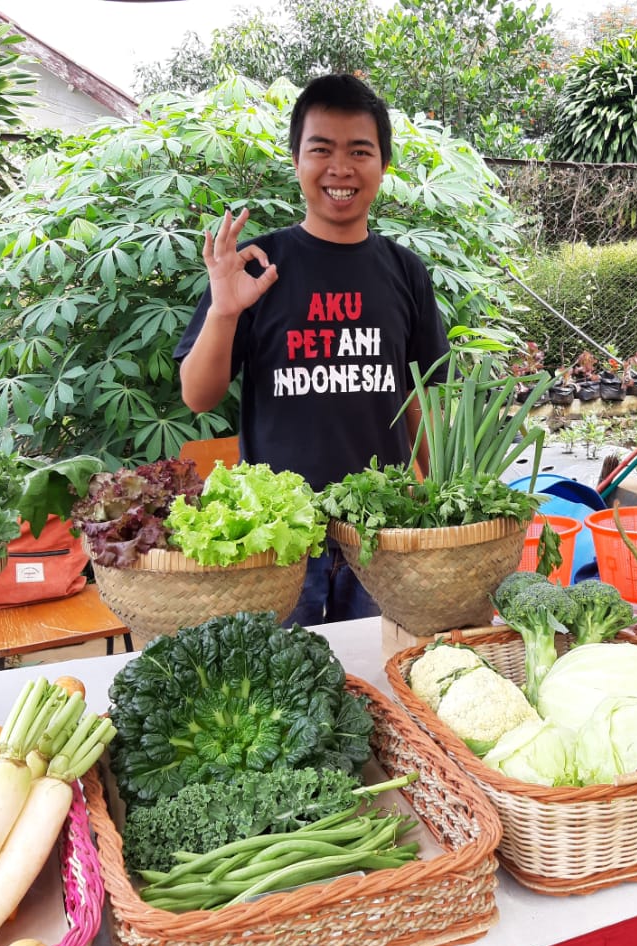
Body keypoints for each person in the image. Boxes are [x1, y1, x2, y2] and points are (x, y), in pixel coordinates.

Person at [175, 73, 449, 626]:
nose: (340, 168)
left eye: (359, 151)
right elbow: (198, 397)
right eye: (321, 149)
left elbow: (420, 396)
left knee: (379, 673)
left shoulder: (404, 271)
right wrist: (225, 310)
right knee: (284, 688)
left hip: (382, 528)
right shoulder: (257, 265)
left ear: (383, 164)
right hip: (280, 534)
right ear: (297, 160)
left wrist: (441, 498)